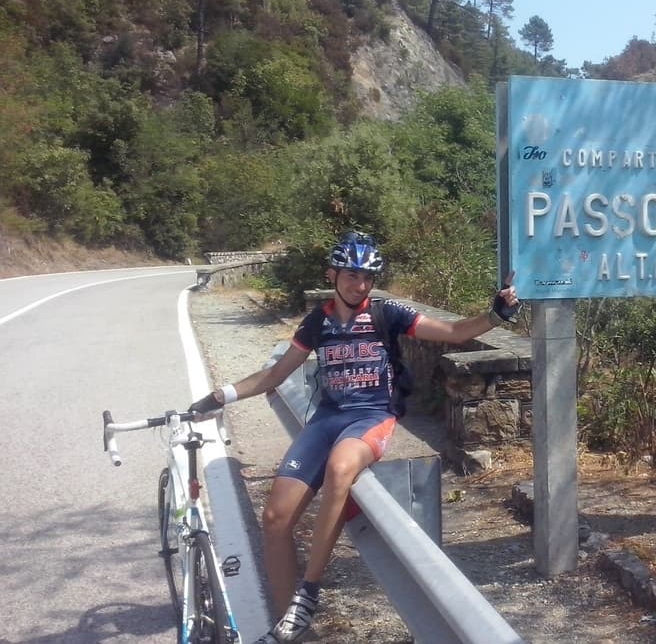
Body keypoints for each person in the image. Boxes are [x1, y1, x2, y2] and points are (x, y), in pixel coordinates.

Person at [188, 230, 520, 644]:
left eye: (367, 277)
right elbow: (276, 374)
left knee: (340, 467)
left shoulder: (387, 313)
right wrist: (223, 395)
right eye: (351, 276)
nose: (360, 285)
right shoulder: (317, 322)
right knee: (275, 518)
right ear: (333, 274)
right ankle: (286, 628)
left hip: (372, 417)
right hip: (327, 419)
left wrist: (494, 315)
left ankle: (308, 591)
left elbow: (452, 332)